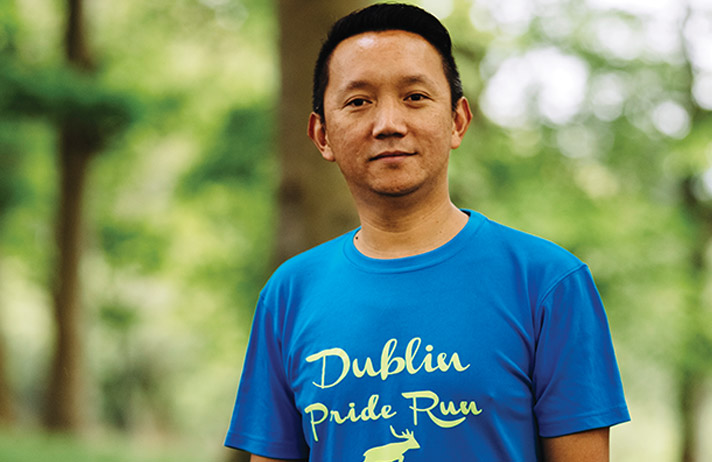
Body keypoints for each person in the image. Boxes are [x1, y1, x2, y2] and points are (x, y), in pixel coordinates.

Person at [225, 3, 630, 461]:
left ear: (457, 120)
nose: (389, 124)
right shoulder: (289, 294)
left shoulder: (548, 283)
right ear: (322, 135)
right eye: (359, 102)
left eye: (415, 97)